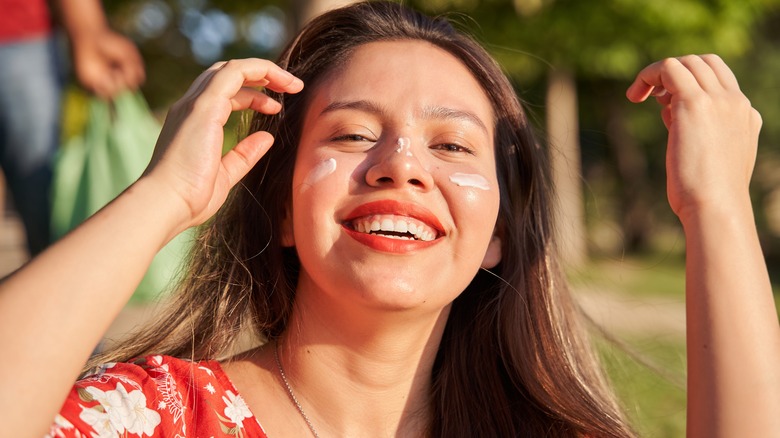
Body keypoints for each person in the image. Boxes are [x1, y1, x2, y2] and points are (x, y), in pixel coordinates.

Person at [0, 2, 777, 436]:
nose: (401, 164)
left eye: (451, 144)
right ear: (281, 207)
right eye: (353, 134)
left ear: (500, 231)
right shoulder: (163, 416)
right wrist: (163, 197)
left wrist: (717, 206)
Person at [0, 0, 144, 255]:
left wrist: (89, 32)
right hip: (22, 48)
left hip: (20, 38)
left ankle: (54, 288)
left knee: (41, 194)